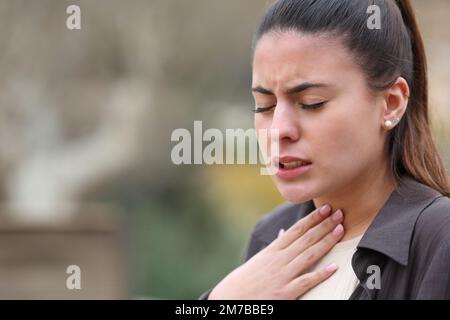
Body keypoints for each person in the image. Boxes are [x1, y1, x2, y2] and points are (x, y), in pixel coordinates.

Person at [199, 0, 450, 300]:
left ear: (392, 103)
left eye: (311, 103)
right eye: (264, 106)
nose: (279, 130)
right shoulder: (270, 236)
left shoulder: (438, 241)